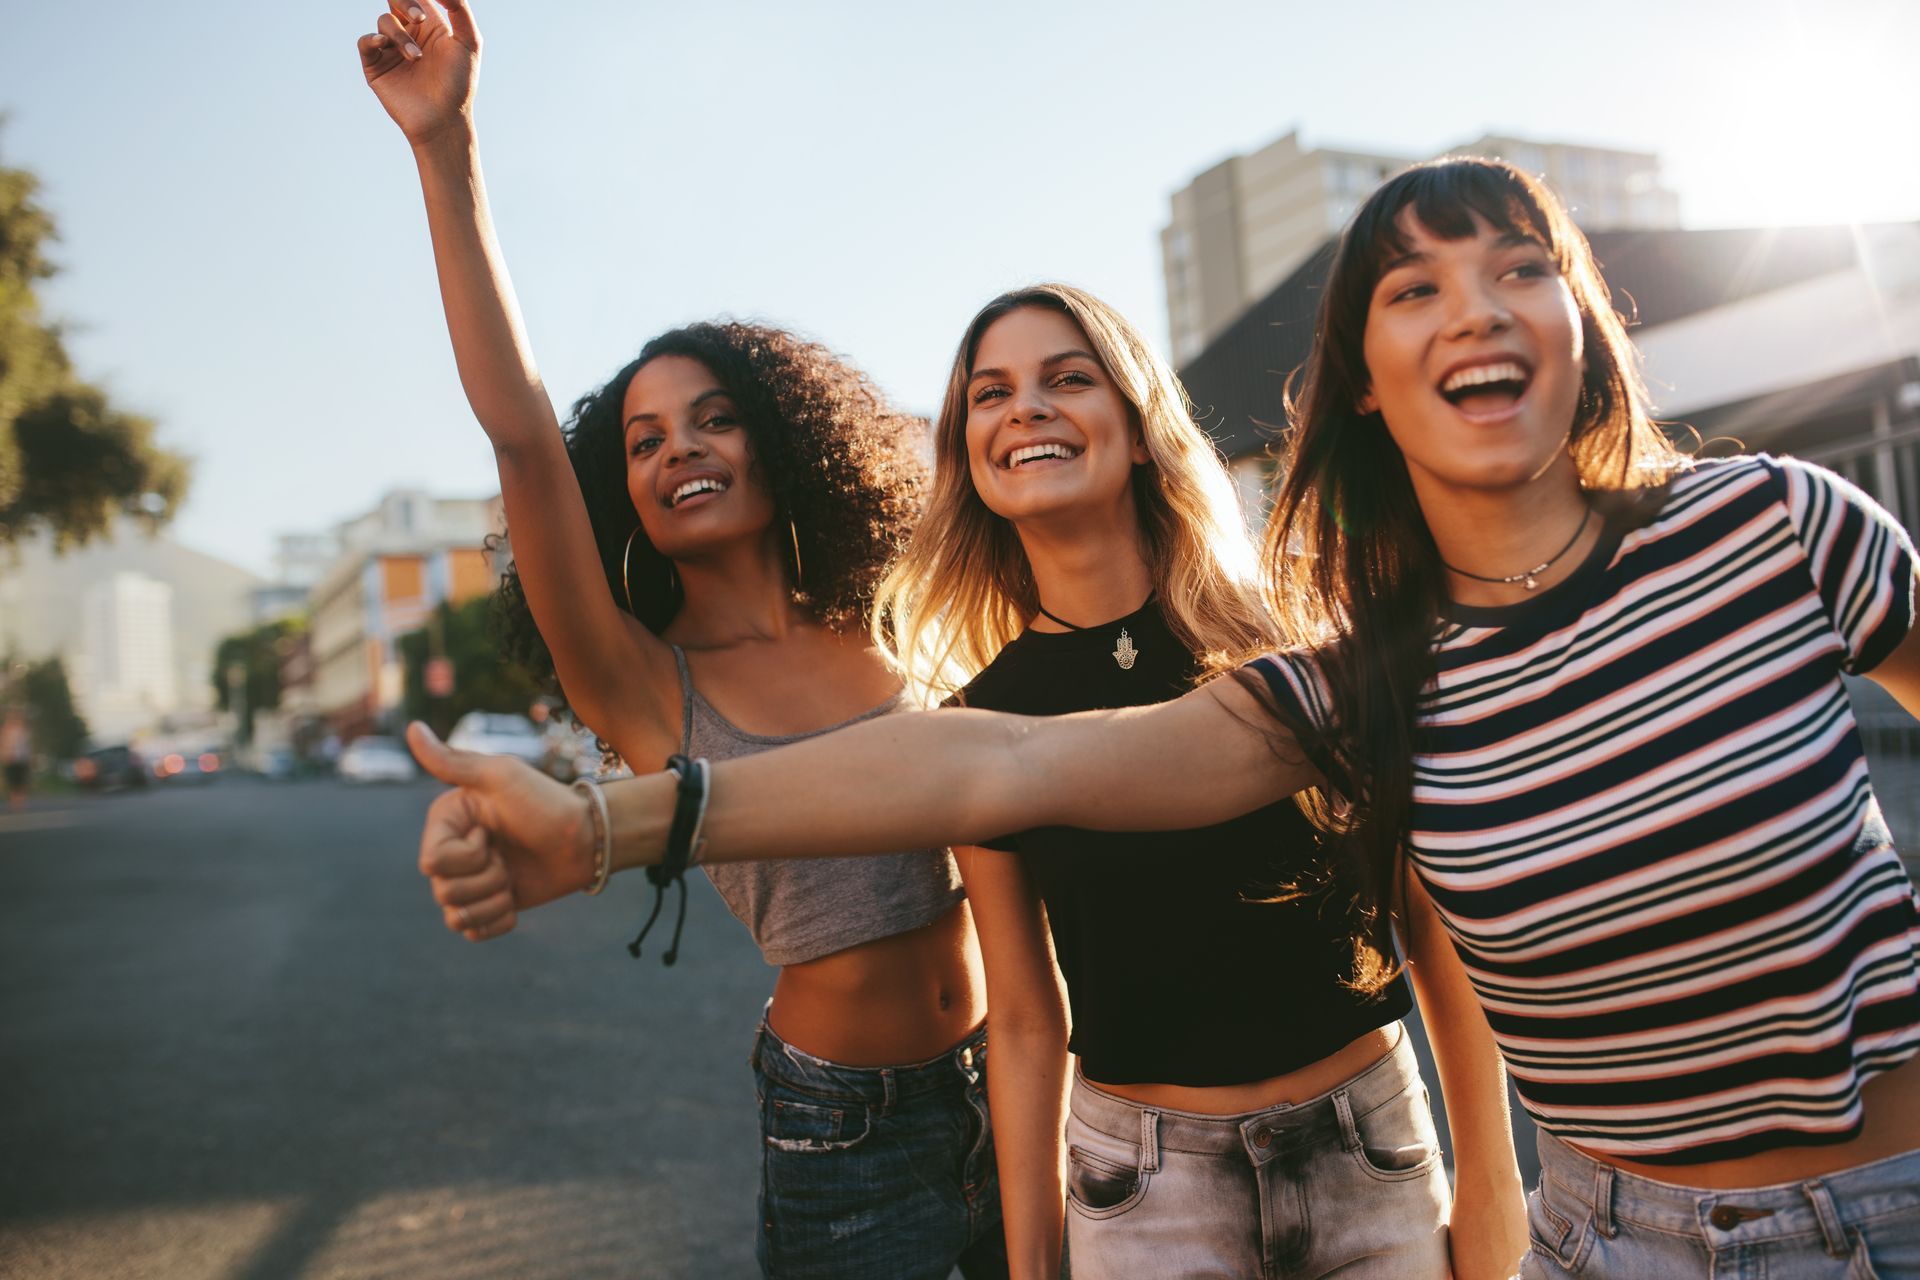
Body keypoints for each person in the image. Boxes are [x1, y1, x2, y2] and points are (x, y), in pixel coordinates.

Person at [411, 156, 1920, 1276]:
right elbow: (999, 771)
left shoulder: (1747, 531)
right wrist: (616, 822)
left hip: (1538, 1161)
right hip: (1372, 1202)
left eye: (1521, 267)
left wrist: (1480, 1190)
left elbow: (1429, 942)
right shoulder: (1324, 687)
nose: (1477, 308)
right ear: (1370, 390)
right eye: (1415, 287)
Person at [356, 5, 1004, 1276]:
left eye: (713, 418)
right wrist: (447, 147)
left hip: (1020, 1076)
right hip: (846, 1133)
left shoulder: (902, 617)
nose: (681, 449)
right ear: (625, 491)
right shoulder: (643, 682)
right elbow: (524, 436)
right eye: (646, 440)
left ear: (783, 437)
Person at [870, 281, 1524, 1278]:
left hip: (1371, 1153)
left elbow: (1428, 917)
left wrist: (1490, 1183)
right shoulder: (978, 727)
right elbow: (1027, 1013)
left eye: (1068, 377)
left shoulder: (1294, 643)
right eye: (990, 393)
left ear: (1137, 430)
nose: (1026, 408)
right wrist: (1033, 1263)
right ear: (970, 452)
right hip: (1143, 1195)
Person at [2, 706, 30, 812]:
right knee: (12, 780)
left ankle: (20, 800)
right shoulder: (6, 730)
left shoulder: (23, 730)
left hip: (21, 759)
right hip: (10, 759)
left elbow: (27, 746)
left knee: (20, 780)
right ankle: (14, 801)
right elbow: (3, 744)